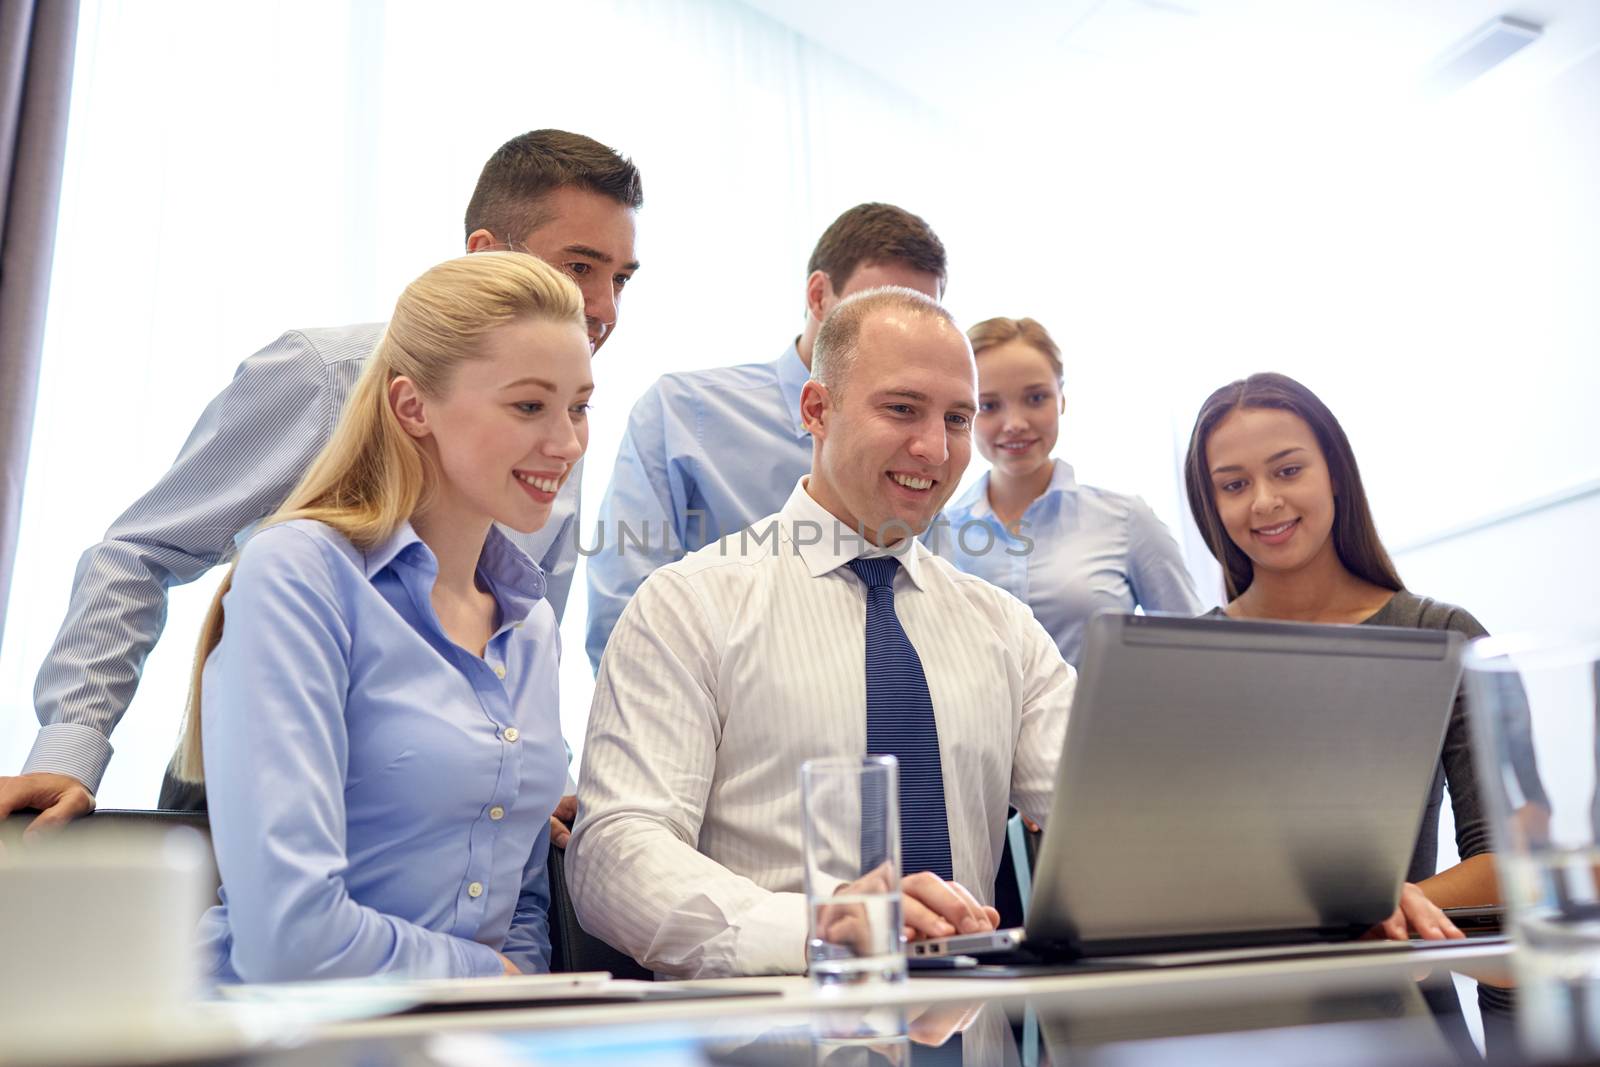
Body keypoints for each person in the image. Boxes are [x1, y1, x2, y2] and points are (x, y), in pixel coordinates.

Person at [1, 130, 641, 838]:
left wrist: (536, 776)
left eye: (621, 278)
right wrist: (70, 748)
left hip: (440, 822)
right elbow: (139, 554)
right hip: (261, 797)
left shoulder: (559, 435)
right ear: (486, 255)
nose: (605, 306)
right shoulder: (320, 375)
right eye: (581, 266)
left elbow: (522, 640)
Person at [568, 288, 1075, 977]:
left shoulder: (1005, 630)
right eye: (902, 408)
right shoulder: (687, 608)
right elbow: (616, 854)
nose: (934, 447)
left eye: (958, 417)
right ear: (816, 410)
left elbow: (1108, 813)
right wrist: (822, 928)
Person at [195, 252, 587, 982]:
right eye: (530, 405)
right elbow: (290, 938)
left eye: (580, 406)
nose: (566, 442)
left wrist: (516, 1008)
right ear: (413, 407)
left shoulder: (530, 624)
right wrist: (490, 980)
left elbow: (522, 909)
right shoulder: (301, 574)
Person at [1183, 371, 1495, 941]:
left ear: (1335, 475)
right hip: (1234, 1005)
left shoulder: (1441, 635)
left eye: (1288, 470)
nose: (1265, 501)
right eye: (1233, 485)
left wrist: (1387, 906)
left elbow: (1504, 862)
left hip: (1405, 1007)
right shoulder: (1183, 662)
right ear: (1212, 506)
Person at [584, 202, 946, 670]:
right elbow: (625, 613)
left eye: (920, 314)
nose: (904, 338)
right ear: (819, 296)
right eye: (876, 308)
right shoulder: (684, 413)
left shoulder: (928, 445)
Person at [934, 317, 1203, 667]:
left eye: (1035, 397)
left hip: (1099, 721)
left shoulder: (1127, 520)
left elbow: (1192, 654)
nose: (1015, 423)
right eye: (989, 405)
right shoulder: (934, 532)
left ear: (1061, 398)